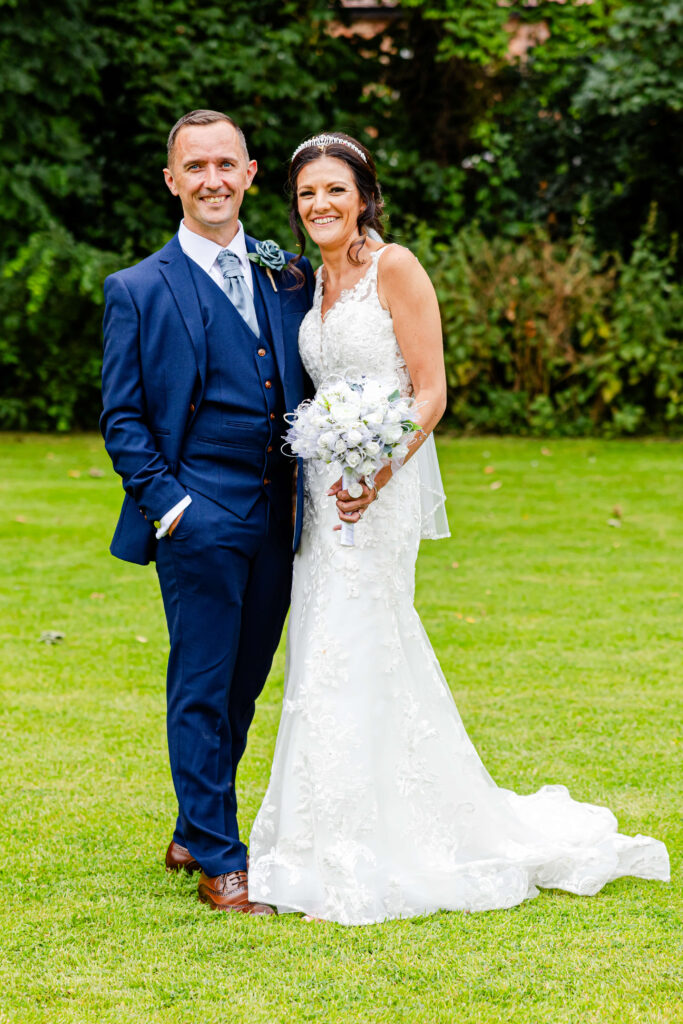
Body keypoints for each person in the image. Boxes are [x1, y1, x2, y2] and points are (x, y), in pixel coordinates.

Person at [247, 133, 670, 925]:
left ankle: (371, 845)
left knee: (361, 636)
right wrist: (333, 457)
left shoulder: (394, 268)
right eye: (307, 195)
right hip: (321, 486)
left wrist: (374, 469)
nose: (320, 206)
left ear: (363, 195)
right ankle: (316, 837)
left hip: (380, 484)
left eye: (334, 190)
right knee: (321, 645)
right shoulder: (312, 282)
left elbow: (431, 391)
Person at [100, 110, 314, 915]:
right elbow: (122, 417)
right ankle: (221, 862)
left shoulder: (287, 275)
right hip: (199, 510)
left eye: (226, 164)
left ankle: (195, 824)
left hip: (283, 513)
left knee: (243, 685)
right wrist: (173, 505)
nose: (212, 179)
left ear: (251, 174)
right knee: (200, 683)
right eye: (196, 167)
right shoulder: (138, 287)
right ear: (172, 180)